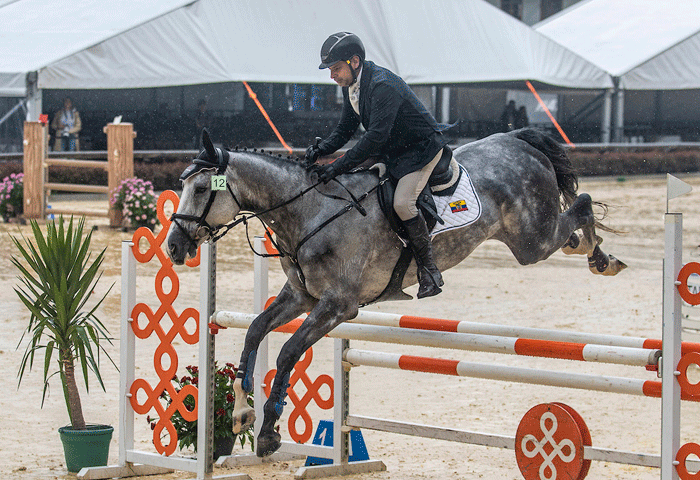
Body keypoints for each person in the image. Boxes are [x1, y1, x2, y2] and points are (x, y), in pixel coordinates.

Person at [305, 32, 447, 298]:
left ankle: (429, 271)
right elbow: (346, 128)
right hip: (394, 149)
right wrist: (322, 148)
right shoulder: (353, 86)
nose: (332, 75)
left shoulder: (383, 86)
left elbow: (374, 139)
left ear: (354, 61)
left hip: (420, 150)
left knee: (403, 203)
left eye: (335, 69)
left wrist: (336, 166)